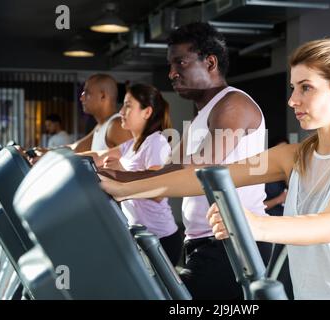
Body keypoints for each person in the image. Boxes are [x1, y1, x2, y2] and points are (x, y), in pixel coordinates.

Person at [100, 38, 330, 300]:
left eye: (306, 87)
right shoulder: (294, 157)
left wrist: (252, 224)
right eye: (293, 87)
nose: (293, 100)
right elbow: (201, 178)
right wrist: (124, 188)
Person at [99, 22, 271, 300]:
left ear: (210, 62)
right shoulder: (202, 114)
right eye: (170, 65)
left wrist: (122, 182)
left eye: (180, 62)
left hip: (232, 243)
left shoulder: (233, 105)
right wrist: (115, 177)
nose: (171, 73)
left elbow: (198, 172)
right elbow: (172, 170)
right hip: (202, 241)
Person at [79, 83, 182, 266]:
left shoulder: (156, 142)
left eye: (128, 106)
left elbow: (158, 192)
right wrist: (58, 157)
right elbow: (98, 156)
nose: (121, 112)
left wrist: (121, 172)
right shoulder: (131, 145)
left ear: (147, 112)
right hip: (140, 236)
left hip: (160, 239)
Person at [263, 137, 289, 217]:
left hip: (292, 222)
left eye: (287, 150)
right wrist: (279, 199)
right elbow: (254, 208)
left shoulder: (294, 170)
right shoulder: (263, 176)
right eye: (280, 151)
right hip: (272, 222)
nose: (284, 154)